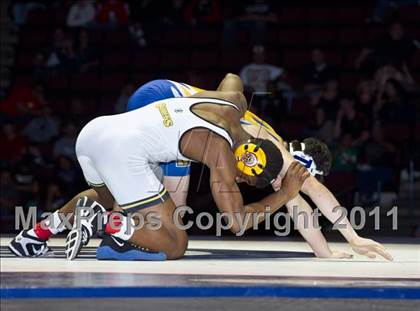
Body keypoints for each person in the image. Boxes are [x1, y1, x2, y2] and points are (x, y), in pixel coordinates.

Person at [9, 75, 392, 261]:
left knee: (121, 196)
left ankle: (43, 230)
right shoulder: (262, 153)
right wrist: (352, 236)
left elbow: (232, 80)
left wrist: (325, 252)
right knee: (171, 234)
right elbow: (248, 218)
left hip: (112, 124)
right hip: (156, 126)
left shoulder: (236, 109)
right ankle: (107, 225)